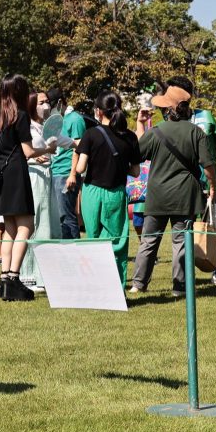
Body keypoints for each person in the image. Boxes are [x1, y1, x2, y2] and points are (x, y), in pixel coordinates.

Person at [129, 85, 216, 296]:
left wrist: (140, 125)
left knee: (149, 241)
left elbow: (135, 155)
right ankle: (180, 287)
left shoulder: (156, 131)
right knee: (181, 243)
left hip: (157, 196)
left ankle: (138, 284)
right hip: (185, 196)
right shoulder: (196, 132)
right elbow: (208, 166)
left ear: (168, 110)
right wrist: (212, 186)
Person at [164, 77, 216, 287]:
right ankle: (185, 275)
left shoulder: (206, 117)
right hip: (184, 186)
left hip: (210, 185)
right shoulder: (169, 120)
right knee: (184, 230)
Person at [0, 75, 55, 301]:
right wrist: (48, 149)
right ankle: (14, 277)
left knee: (9, 229)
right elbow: (28, 151)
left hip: (0, 175)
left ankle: (4, 278)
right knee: (26, 226)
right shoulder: (21, 115)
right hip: (17, 174)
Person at [74, 91, 141, 286]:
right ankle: (116, 288)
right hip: (116, 193)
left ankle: (96, 286)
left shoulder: (91, 134)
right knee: (117, 241)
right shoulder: (130, 137)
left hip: (92, 193)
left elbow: (80, 168)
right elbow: (136, 171)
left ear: (98, 111)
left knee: (93, 239)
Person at [19, 90, 60, 291]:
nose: (46, 105)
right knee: (33, 224)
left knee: (48, 224)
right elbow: (23, 152)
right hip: (33, 177)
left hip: (47, 177)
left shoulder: (46, 127)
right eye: (41, 102)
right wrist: (36, 157)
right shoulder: (25, 126)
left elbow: (64, 142)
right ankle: (28, 275)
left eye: (47, 101)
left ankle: (44, 275)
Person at [47, 87, 87, 239]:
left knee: (67, 216)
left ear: (59, 102)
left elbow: (79, 147)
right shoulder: (56, 120)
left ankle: (73, 248)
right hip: (54, 171)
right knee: (59, 217)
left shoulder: (75, 119)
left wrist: (73, 174)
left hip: (66, 173)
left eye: (50, 105)